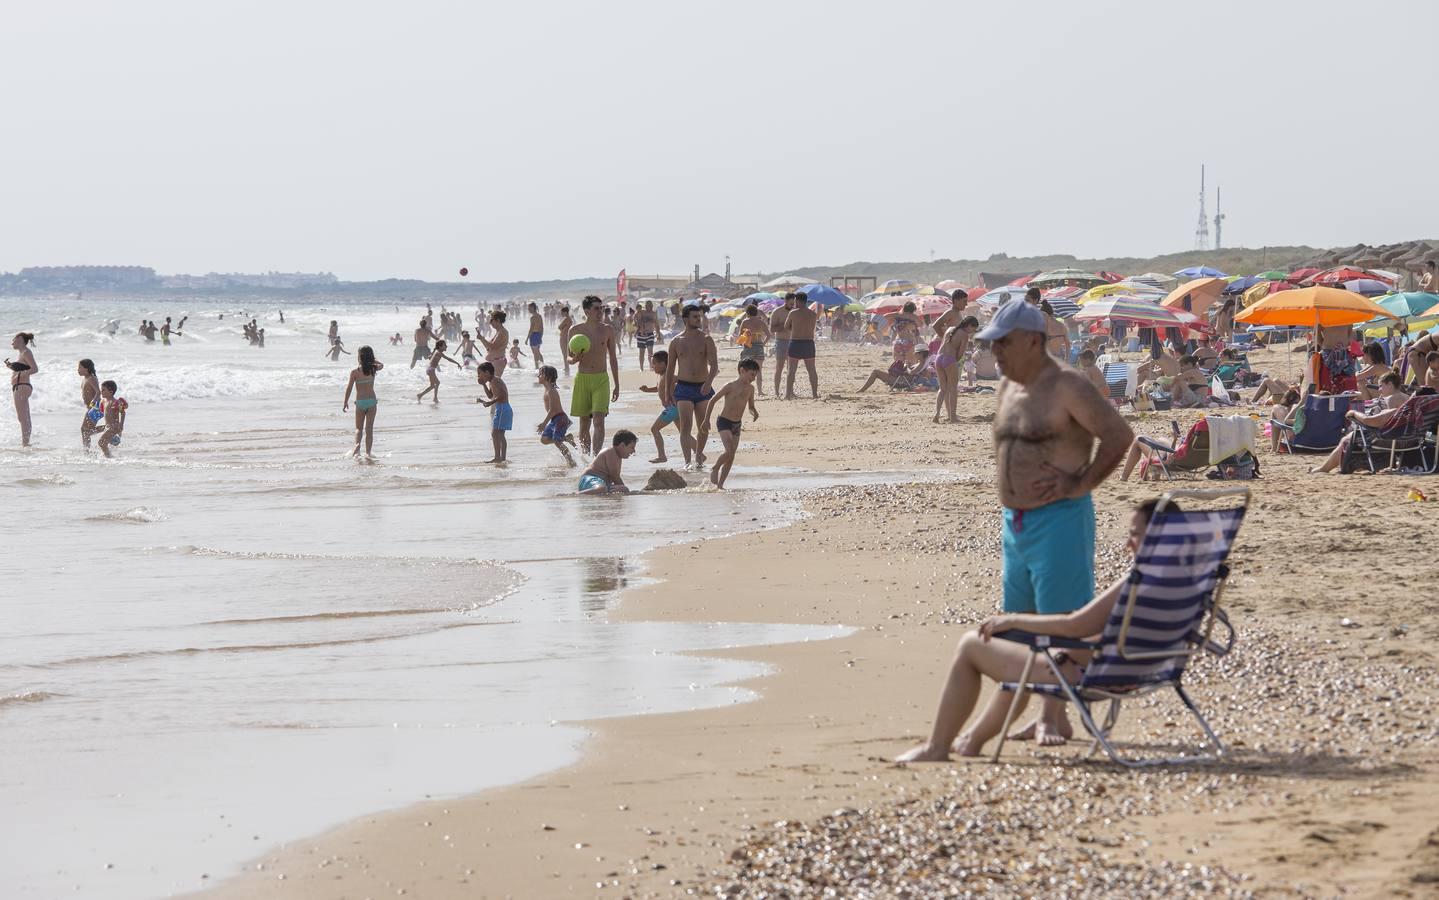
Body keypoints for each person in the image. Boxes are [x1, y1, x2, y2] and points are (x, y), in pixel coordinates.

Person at [896, 498, 1174, 762]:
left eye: (1135, 535)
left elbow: (1073, 624)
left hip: (1091, 674)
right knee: (1025, 658)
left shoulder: (1138, 579)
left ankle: (940, 746)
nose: (1128, 544)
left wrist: (1015, 620)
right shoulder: (1192, 578)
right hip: (1146, 671)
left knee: (971, 645)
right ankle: (972, 740)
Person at [979, 300, 1134, 746]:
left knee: (1063, 619)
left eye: (1004, 343)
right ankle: (1044, 708)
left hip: (1060, 520)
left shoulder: (1068, 385)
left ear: (1033, 340)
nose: (997, 352)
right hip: (1017, 523)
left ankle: (1054, 715)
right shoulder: (1007, 385)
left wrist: (1081, 484)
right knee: (1023, 623)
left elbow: (1119, 435)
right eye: (993, 344)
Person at [664, 304, 719, 467]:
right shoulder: (676, 341)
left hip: (702, 387)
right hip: (683, 388)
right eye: (695, 317)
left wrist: (708, 383)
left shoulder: (706, 339)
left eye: (699, 317)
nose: (698, 319)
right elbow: (670, 368)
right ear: (686, 319)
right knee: (685, 426)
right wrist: (668, 391)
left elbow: (714, 365)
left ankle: (699, 458)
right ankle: (687, 461)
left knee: (703, 426)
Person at [568, 296, 621, 455]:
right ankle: (585, 456)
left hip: (601, 379)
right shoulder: (575, 331)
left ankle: (596, 457)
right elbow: (568, 358)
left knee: (599, 420)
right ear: (587, 311)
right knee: (584, 422)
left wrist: (617, 384)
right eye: (597, 308)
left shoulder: (607, 330)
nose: (600, 311)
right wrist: (574, 359)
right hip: (583, 378)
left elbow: (612, 358)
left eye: (602, 308)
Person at [703, 359, 760, 489]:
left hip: (737, 424)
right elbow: (712, 401)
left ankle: (721, 485)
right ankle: (715, 468)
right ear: (742, 371)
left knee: (731, 455)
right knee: (729, 451)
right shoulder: (730, 386)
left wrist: (754, 412)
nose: (753, 378)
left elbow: (750, 405)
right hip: (724, 422)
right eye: (752, 374)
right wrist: (706, 420)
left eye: (755, 375)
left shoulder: (751, 389)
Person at [932, 316, 979, 423]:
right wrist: (955, 362)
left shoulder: (950, 329)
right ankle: (953, 417)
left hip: (938, 358)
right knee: (953, 389)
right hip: (949, 359)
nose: (973, 331)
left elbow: (943, 344)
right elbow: (960, 353)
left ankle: (937, 414)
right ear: (969, 325)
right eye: (973, 329)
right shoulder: (964, 335)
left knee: (942, 389)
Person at [343, 346, 384, 458]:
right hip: (371, 401)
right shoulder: (373, 368)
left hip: (360, 402)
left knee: (358, 429)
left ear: (359, 357)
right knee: (369, 429)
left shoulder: (355, 372)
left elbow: (349, 388)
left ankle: (357, 446)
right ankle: (368, 453)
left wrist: (345, 401)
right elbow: (382, 365)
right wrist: (372, 360)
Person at [639, 349, 678, 463]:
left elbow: (681, 379)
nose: (652, 367)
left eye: (654, 364)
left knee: (654, 429)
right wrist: (647, 390)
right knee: (684, 434)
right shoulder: (662, 376)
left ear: (662, 364)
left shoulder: (669, 375)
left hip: (672, 409)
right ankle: (700, 455)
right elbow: (659, 388)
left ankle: (662, 456)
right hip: (674, 410)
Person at [536, 365, 577, 466]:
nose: (538, 376)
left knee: (557, 441)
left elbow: (553, 410)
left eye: (541, 374)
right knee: (544, 439)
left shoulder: (551, 391)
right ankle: (567, 438)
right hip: (555, 419)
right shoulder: (547, 390)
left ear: (548, 377)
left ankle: (570, 461)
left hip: (560, 418)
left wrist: (544, 423)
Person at [578, 430, 637, 495]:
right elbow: (615, 476)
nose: (633, 451)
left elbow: (615, 478)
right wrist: (626, 491)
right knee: (602, 489)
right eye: (632, 447)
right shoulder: (611, 452)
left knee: (608, 490)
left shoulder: (618, 457)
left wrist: (621, 488)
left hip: (599, 483)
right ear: (622, 445)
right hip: (589, 479)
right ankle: (576, 495)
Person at [784, 292, 820, 400]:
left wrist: (794, 329)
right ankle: (814, 394)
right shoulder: (813, 314)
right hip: (808, 343)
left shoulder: (793, 313)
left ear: (798, 301)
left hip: (796, 342)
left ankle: (787, 395)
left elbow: (786, 326)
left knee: (791, 370)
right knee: (812, 370)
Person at [475, 362, 511, 463]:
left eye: (479, 373)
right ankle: (502, 458)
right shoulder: (491, 382)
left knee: (495, 434)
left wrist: (491, 403)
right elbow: (491, 395)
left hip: (502, 408)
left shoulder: (495, 380)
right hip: (504, 408)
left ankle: (497, 458)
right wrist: (483, 385)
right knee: (500, 434)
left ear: (487, 372)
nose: (478, 376)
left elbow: (502, 395)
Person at [7, 332, 37, 446]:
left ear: (19, 339)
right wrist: (14, 368)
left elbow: (35, 369)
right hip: (21, 386)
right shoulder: (22, 353)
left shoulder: (26, 352)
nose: (11, 343)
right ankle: (26, 442)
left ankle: (25, 444)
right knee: (24, 417)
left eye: (13, 340)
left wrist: (20, 374)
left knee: (22, 417)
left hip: (22, 386)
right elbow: (26, 368)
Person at [736, 304, 770, 396]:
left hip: (748, 347)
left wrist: (741, 342)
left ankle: (743, 390)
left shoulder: (745, 322)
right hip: (759, 346)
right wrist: (763, 344)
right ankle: (759, 391)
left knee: (745, 370)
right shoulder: (761, 322)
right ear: (756, 312)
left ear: (747, 313)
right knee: (758, 370)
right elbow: (769, 335)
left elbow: (740, 335)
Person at [769, 293, 794, 397]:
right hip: (781, 341)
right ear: (786, 301)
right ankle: (777, 392)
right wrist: (784, 326)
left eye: (794, 303)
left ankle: (790, 391)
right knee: (779, 367)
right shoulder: (777, 312)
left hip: (793, 341)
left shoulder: (795, 312)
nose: (793, 305)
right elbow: (772, 329)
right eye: (791, 303)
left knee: (791, 368)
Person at [96, 380, 127, 458]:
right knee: (107, 444)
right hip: (108, 427)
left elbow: (123, 413)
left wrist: (121, 425)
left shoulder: (115, 402)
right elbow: (103, 412)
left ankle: (109, 458)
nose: (101, 392)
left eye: (103, 390)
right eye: (101, 390)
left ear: (111, 392)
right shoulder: (103, 401)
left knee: (101, 442)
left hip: (114, 427)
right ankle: (111, 456)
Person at [78, 358, 101, 450]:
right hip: (91, 408)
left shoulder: (92, 378)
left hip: (95, 407)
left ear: (86, 369)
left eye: (80, 367)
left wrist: (93, 401)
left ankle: (109, 428)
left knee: (86, 431)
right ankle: (87, 450)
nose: (77, 370)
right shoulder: (85, 378)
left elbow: (98, 392)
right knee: (86, 431)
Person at [478, 310, 510, 377]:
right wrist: (481, 338)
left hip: (498, 361)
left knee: (494, 383)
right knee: (492, 383)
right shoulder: (498, 332)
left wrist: (482, 339)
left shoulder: (502, 332)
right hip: (495, 361)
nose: (490, 322)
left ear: (498, 320)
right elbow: (488, 347)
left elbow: (492, 346)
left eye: (492, 320)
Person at [635, 301, 658, 370]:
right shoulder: (642, 313)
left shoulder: (654, 314)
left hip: (650, 334)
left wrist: (658, 333)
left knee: (650, 352)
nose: (649, 307)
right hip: (641, 334)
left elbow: (657, 324)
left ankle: (651, 366)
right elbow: (636, 320)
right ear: (645, 306)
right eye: (648, 306)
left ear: (652, 306)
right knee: (642, 352)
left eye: (650, 306)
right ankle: (641, 368)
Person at [526, 302, 545, 368]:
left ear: (533, 308)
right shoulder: (539, 316)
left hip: (533, 335)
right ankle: (542, 366)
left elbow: (531, 329)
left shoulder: (533, 317)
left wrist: (527, 338)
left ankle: (536, 367)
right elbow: (542, 327)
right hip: (539, 334)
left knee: (535, 353)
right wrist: (541, 336)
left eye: (529, 308)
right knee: (538, 352)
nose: (528, 309)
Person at [557, 306, 574, 377]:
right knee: (566, 353)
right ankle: (566, 367)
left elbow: (559, 327)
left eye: (562, 312)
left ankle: (567, 368)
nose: (561, 314)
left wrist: (561, 328)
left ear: (566, 312)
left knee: (564, 353)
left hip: (564, 337)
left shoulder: (567, 319)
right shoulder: (569, 319)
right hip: (567, 337)